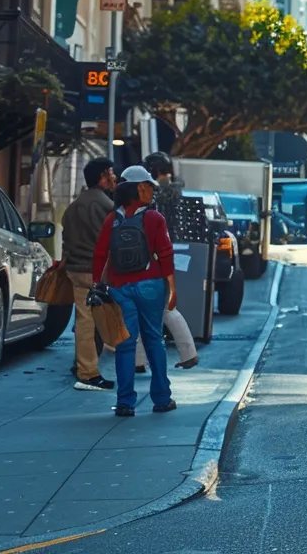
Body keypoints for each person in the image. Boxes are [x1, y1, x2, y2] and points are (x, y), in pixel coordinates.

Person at [93, 166, 178, 417]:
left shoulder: (112, 219)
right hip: (151, 285)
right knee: (154, 340)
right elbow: (165, 254)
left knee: (125, 344)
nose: (152, 191)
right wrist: (173, 288)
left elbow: (100, 254)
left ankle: (125, 402)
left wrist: (96, 282)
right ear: (139, 188)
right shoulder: (155, 219)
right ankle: (162, 398)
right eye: (149, 186)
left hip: (120, 288)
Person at [137, 152, 199, 370]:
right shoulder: (174, 191)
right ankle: (185, 353)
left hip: (153, 255)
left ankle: (140, 360)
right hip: (168, 253)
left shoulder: (157, 195)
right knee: (160, 308)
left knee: (149, 308)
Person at [62, 158, 117, 391]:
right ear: (103, 177)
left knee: (85, 319)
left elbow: (67, 240)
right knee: (92, 321)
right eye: (111, 173)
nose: (114, 177)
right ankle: (88, 373)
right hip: (96, 271)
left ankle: (83, 364)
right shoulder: (106, 205)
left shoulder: (74, 205)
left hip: (75, 269)